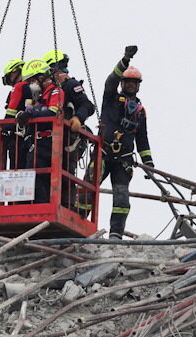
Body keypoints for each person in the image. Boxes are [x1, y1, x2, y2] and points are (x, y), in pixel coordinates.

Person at [82, 45, 153, 238]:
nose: (130, 85)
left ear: (138, 86)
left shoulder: (140, 111)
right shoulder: (111, 98)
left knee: (122, 199)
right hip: (103, 154)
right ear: (122, 83)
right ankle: (78, 224)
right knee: (86, 191)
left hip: (124, 160)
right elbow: (110, 81)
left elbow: (142, 138)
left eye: (134, 82)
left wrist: (148, 163)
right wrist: (125, 60)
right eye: (127, 81)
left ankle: (116, 234)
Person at [42, 49, 96, 210]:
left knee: (66, 174)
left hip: (68, 141)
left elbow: (87, 105)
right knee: (48, 174)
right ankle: (47, 204)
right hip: (51, 140)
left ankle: (66, 207)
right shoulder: (50, 90)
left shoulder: (70, 85)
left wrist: (78, 118)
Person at [13, 60, 65, 203]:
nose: (31, 85)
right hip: (36, 144)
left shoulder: (56, 91)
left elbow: (53, 113)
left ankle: (43, 207)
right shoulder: (39, 98)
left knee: (38, 180)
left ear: (41, 78)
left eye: (32, 81)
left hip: (47, 144)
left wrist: (31, 114)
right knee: (32, 179)